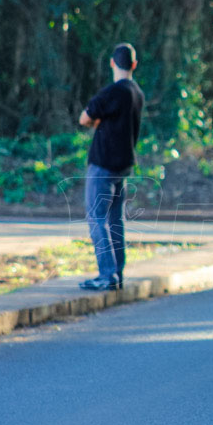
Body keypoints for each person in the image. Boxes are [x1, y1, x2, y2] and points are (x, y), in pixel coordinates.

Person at [78, 43, 145, 291]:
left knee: (96, 218)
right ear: (134, 65)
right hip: (123, 167)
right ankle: (117, 273)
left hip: (103, 164)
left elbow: (84, 117)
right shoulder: (137, 92)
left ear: (112, 63)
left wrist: (96, 122)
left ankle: (106, 275)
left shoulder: (113, 92)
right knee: (115, 220)